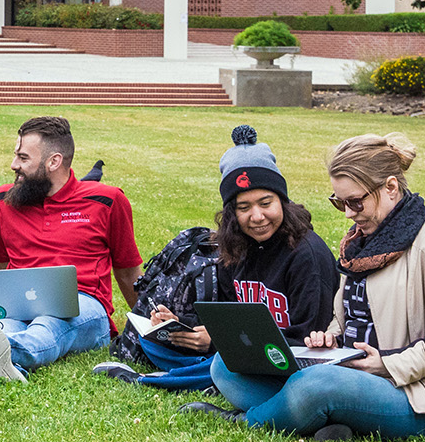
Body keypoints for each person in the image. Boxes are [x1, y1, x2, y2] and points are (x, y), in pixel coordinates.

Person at [185, 132, 425, 440]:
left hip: (421, 398)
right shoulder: (362, 242)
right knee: (226, 365)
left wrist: (387, 364)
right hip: (350, 373)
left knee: (316, 385)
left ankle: (252, 421)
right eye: (339, 202)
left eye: (355, 202)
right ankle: (317, 419)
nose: (348, 213)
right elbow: (350, 317)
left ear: (391, 187)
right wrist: (329, 338)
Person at [92, 125, 337, 391]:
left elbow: (309, 341)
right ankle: (208, 373)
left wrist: (219, 343)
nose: (257, 216)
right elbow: (229, 319)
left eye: (266, 203)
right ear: (232, 213)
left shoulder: (307, 256)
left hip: (290, 359)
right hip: (242, 351)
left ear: (283, 202)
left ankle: (158, 379)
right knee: (156, 341)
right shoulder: (238, 246)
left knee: (225, 364)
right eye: (244, 207)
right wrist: (181, 326)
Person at [0, 116, 143, 382]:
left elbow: (129, 274)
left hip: (85, 307)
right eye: (16, 155)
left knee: (49, 323)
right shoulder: (5, 200)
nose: (14, 165)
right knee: (4, 326)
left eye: (23, 158)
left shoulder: (106, 201)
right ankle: (2, 357)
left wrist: (146, 329)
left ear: (54, 161)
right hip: (20, 306)